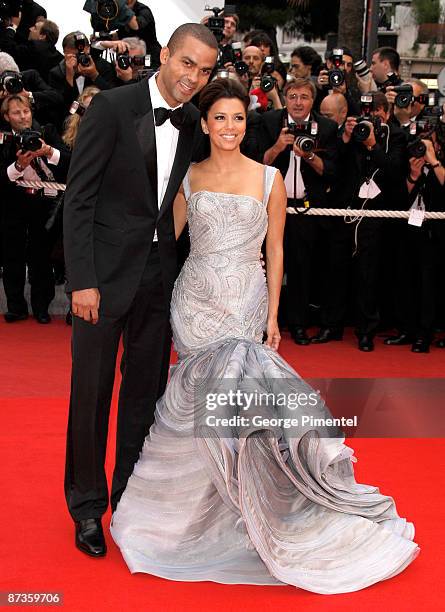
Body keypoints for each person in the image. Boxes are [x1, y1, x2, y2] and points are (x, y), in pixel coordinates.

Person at [111, 77, 418, 594]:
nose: (229, 127)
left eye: (237, 118)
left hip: (246, 302)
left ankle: (249, 511)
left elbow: (276, 251)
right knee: (201, 406)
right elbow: (167, 244)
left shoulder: (269, 178)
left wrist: (273, 315)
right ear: (204, 124)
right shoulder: (187, 178)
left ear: (245, 123)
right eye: (219, 118)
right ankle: (189, 518)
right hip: (197, 304)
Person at [63, 23, 218, 558]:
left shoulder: (195, 120)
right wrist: (81, 280)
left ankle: (129, 497)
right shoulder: (110, 106)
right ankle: (87, 507)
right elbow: (78, 199)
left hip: (158, 276)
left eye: (203, 70)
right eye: (186, 64)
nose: (192, 78)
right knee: (91, 395)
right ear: (164, 55)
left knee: (142, 399)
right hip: (100, 282)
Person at [0, 93, 70, 323]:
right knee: (13, 256)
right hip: (13, 204)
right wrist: (19, 165)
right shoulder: (3, 140)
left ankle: (42, 308)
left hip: (45, 204)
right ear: (6, 117)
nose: (23, 117)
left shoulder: (47, 132)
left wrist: (48, 152)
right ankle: (16, 307)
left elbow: (69, 161)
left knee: (41, 257)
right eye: (16, 113)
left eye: (26, 111)